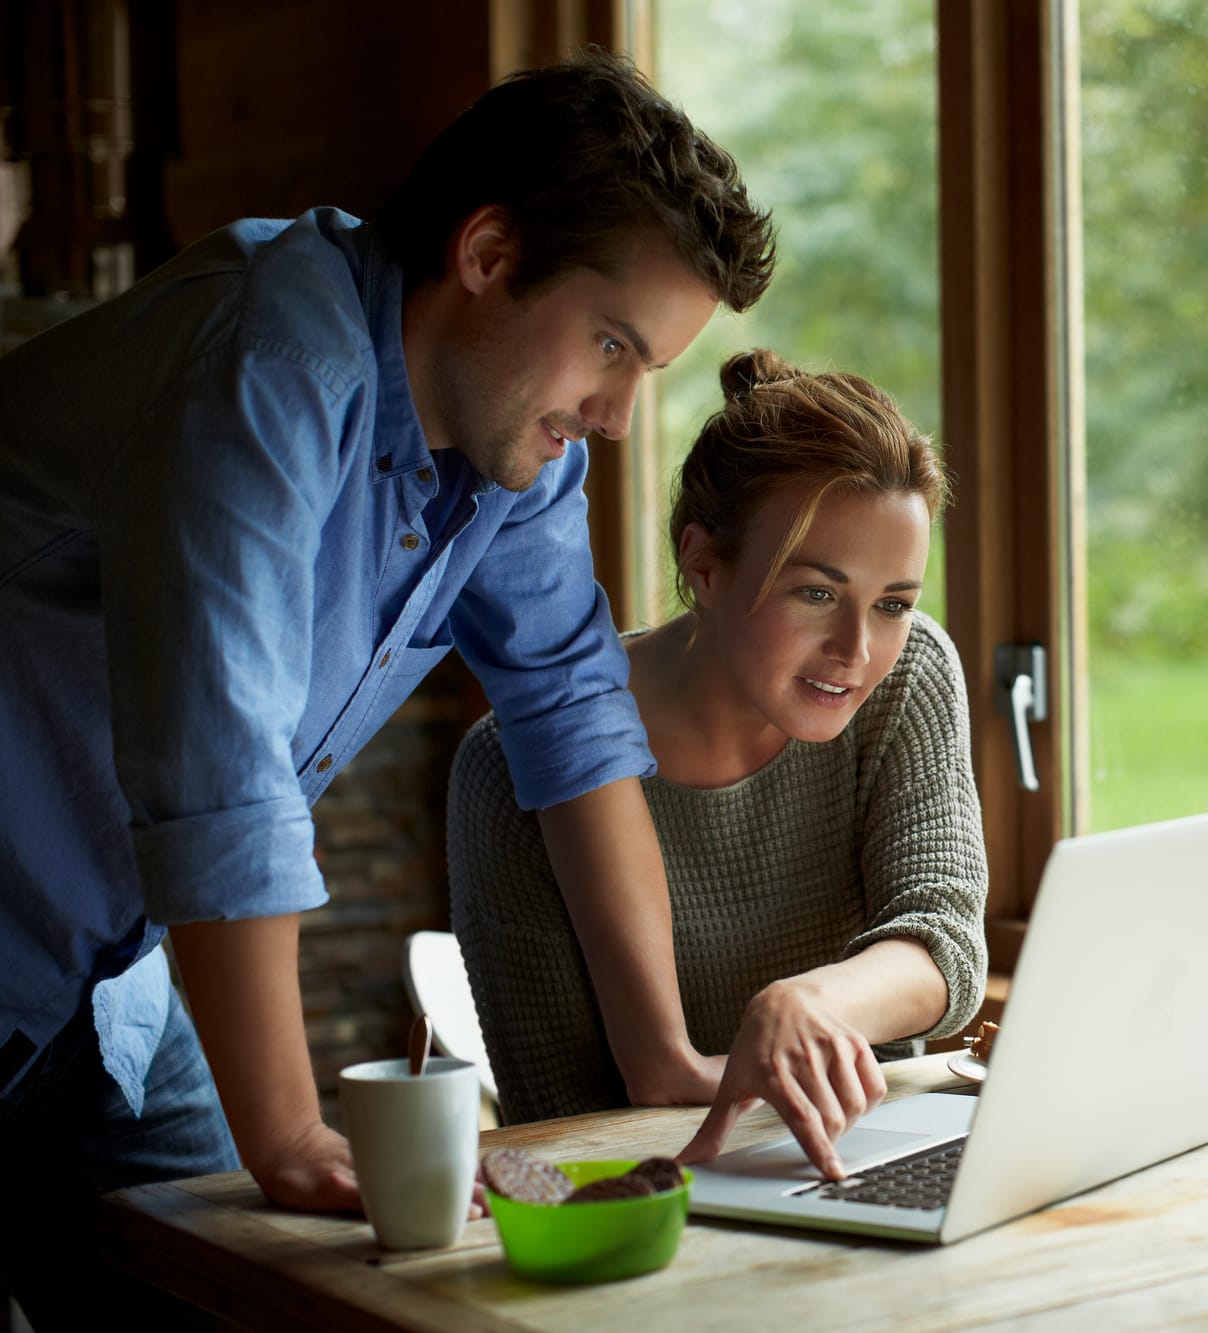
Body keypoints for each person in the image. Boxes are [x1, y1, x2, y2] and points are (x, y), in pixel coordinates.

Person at [0, 50, 774, 1326]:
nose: (624, 415)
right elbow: (220, 774)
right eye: (611, 347)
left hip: (104, 979)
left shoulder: (511, 446)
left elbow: (572, 719)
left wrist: (666, 1061)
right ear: (484, 255)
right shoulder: (273, 359)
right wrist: (291, 1130)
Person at [450, 349, 988, 1181]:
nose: (857, 649)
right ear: (703, 565)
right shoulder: (506, 767)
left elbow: (946, 939)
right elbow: (555, 1112)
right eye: (816, 592)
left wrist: (809, 1000)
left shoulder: (909, 675)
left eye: (893, 604)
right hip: (659, 1195)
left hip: (869, 1160)